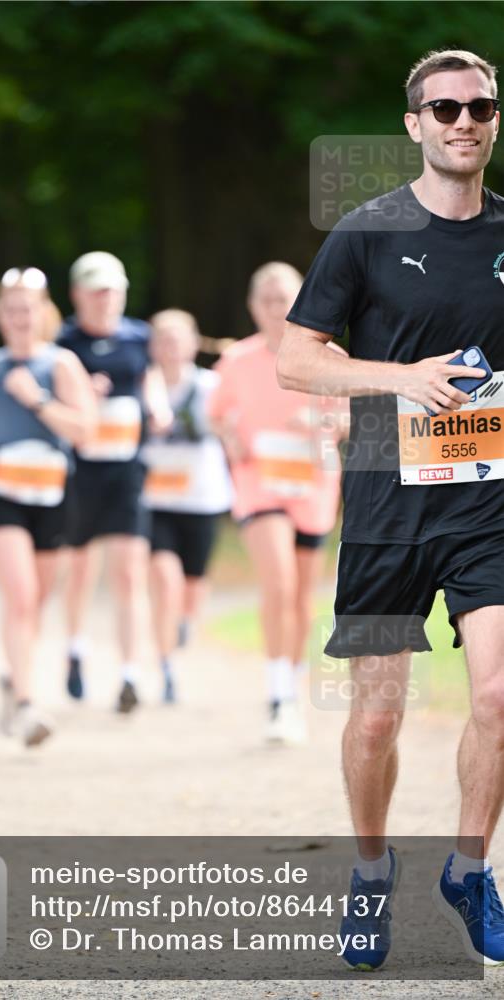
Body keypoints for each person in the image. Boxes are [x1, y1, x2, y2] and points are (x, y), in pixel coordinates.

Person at [277, 49, 503, 968]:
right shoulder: (363, 234)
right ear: (413, 123)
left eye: (479, 105)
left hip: (487, 504)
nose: (462, 120)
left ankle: (467, 868)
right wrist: (400, 379)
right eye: (442, 106)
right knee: (376, 714)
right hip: (381, 505)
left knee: (497, 693)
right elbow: (296, 360)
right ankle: (371, 873)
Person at [0, 267, 96, 747]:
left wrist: (36, 399)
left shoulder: (61, 365)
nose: (18, 317)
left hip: (53, 491)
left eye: (27, 308)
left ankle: (13, 676)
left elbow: (83, 430)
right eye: (10, 309)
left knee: (35, 599)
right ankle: (28, 703)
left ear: (43, 313)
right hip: (3, 490)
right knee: (18, 596)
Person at [210, 262, 347, 744]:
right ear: (252, 306)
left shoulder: (329, 357)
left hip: (313, 487)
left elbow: (350, 419)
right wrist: (229, 436)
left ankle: (290, 687)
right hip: (259, 484)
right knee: (278, 582)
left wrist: (319, 424)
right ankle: (277, 696)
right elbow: (217, 417)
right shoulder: (236, 361)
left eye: (284, 297)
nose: (276, 307)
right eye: (266, 298)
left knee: (301, 596)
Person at [59, 252, 172, 712]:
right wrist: (83, 392)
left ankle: (129, 674)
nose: (105, 300)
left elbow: (153, 380)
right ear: (77, 295)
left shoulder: (139, 338)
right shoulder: (62, 342)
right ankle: (75, 648)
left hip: (126, 471)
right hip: (76, 473)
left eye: (112, 291)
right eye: (96, 291)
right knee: (81, 571)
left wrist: (158, 406)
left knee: (128, 573)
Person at [141, 309, 232, 703]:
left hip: (203, 499)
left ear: (194, 344)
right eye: (163, 338)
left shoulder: (214, 385)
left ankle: (185, 625)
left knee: (193, 586)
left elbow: (235, 426)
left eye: (179, 338)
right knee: (165, 579)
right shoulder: (143, 387)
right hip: (156, 499)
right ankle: (166, 667)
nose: (171, 346)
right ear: (153, 347)